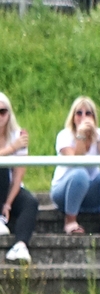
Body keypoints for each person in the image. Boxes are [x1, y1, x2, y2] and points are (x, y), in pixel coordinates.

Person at [51, 96, 100, 235]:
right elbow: (76, 162)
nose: (83, 117)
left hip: (90, 191)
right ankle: (70, 221)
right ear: (73, 117)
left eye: (88, 113)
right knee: (80, 173)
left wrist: (97, 138)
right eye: (79, 113)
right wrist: (81, 136)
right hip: (64, 192)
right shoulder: (64, 135)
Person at [0, 93, 39, 263]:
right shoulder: (16, 142)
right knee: (1, 166)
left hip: (9, 189)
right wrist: (12, 148)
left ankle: (20, 245)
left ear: (9, 114)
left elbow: (18, 175)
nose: (0, 116)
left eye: (3, 111)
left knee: (30, 202)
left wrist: (8, 204)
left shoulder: (17, 136)